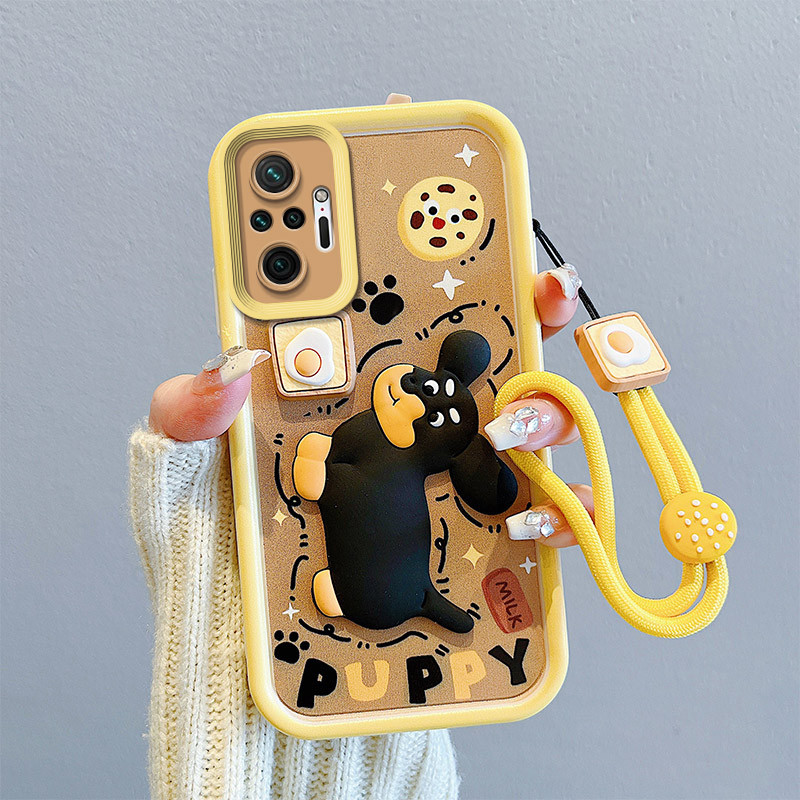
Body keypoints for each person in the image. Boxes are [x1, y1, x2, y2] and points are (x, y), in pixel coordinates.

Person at [129, 95, 593, 800]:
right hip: (336, 622)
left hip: (379, 602)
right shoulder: (373, 438)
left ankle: (351, 596)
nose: (413, 395)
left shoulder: (416, 448)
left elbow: (344, 481)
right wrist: (229, 538)